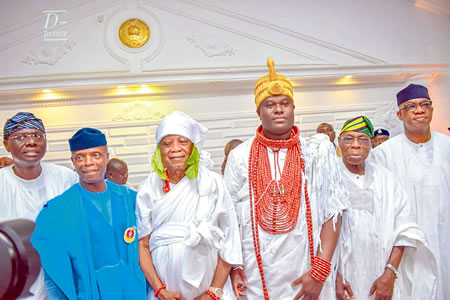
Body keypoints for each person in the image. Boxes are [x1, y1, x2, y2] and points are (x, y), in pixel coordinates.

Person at [224, 57, 349, 300]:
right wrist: (234, 266)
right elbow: (227, 217)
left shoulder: (316, 152)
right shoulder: (240, 156)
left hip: (307, 272)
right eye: (270, 104)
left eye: (285, 103)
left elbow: (334, 212)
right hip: (254, 277)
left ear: (293, 109)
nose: (279, 109)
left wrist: (320, 271)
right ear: (258, 112)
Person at [136, 111, 243, 300]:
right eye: (167, 143)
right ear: (159, 150)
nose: (175, 149)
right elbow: (143, 245)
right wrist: (160, 290)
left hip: (213, 293)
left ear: (193, 147)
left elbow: (229, 237)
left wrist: (214, 291)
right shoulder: (148, 188)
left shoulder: (213, 182)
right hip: (165, 294)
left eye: (182, 142)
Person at [31, 128, 146, 300]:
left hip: (134, 293)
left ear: (107, 157)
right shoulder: (57, 211)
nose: (88, 162)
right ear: (73, 162)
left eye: (96, 155)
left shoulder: (131, 200)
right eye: (80, 157)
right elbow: (53, 276)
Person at [336, 116, 436, 300]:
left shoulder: (386, 179)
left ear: (371, 144)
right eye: (349, 138)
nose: (356, 145)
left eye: (363, 139)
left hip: (381, 277)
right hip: (340, 280)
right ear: (339, 142)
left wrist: (390, 273)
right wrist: (334, 276)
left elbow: (404, 228)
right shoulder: (327, 178)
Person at [371, 83, 449, 299]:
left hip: (445, 242)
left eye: (425, 104)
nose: (419, 110)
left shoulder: (447, 146)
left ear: (432, 110)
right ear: (400, 114)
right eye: (411, 106)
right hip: (406, 249)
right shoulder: (385, 154)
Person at [0, 112, 77, 300]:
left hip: (62, 274)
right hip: (15, 276)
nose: (31, 141)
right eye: (21, 137)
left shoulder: (66, 178)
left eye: (37, 135)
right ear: (6, 144)